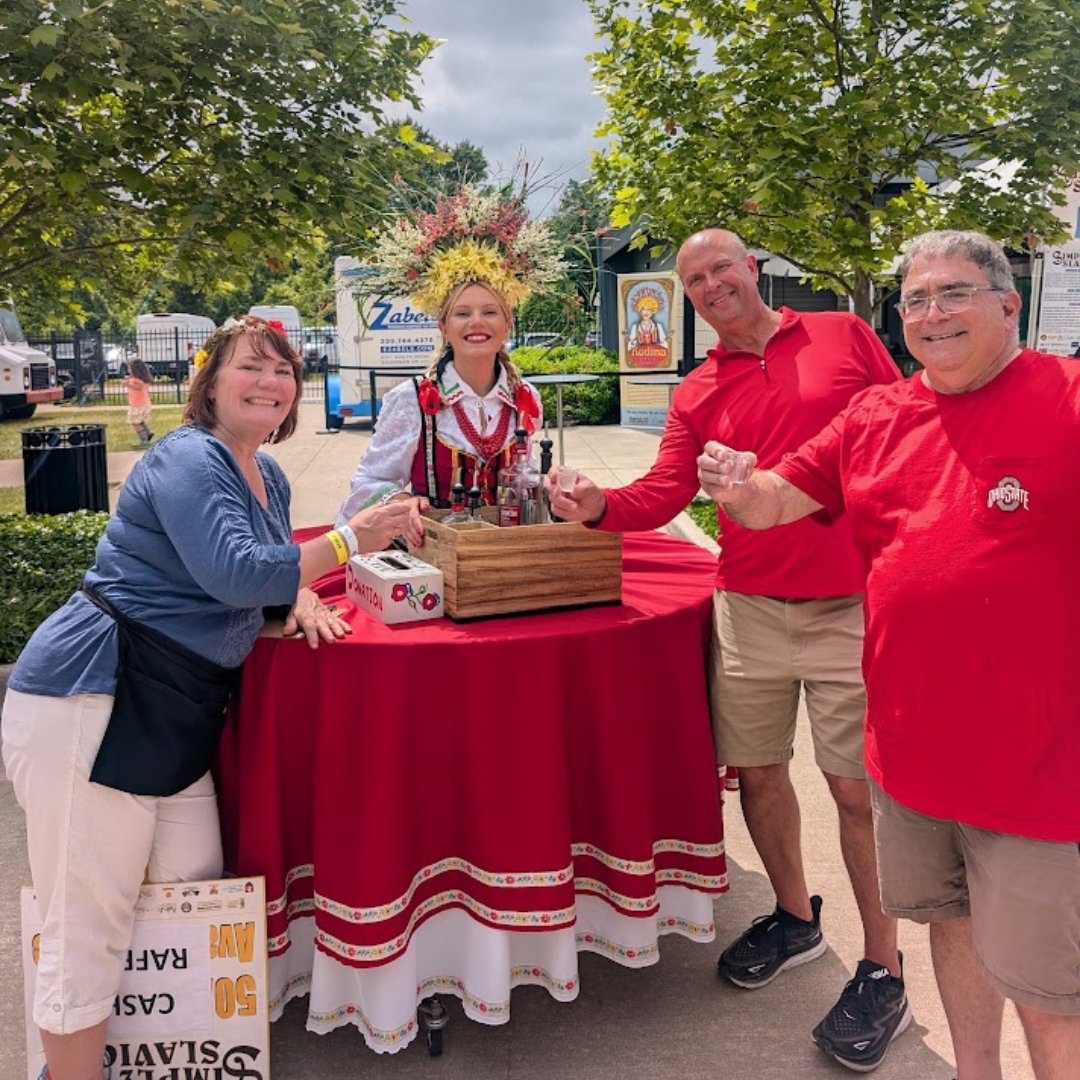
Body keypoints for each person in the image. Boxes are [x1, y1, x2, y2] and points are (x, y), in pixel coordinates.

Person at [697, 229, 1080, 1079]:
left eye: (954, 294)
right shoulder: (875, 417)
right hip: (912, 761)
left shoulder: (1067, 398)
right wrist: (734, 482)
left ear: (1009, 303)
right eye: (915, 300)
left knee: (1048, 990)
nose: (931, 314)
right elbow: (769, 503)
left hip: (1035, 769)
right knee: (951, 932)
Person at [2, 316, 416, 1080]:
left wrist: (293, 602)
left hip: (179, 706)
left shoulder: (270, 473)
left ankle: (170, 1059)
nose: (270, 382)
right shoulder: (188, 456)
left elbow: (260, 579)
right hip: (98, 694)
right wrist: (353, 539)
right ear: (209, 384)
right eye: (250, 368)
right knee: (86, 922)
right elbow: (235, 573)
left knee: (199, 893)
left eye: (283, 370)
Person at [550, 228, 907, 1071]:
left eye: (722, 269)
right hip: (747, 605)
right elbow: (662, 492)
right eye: (694, 280)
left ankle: (884, 967)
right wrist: (599, 503)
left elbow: (904, 431)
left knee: (856, 794)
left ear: (753, 270)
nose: (711, 286)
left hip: (850, 604)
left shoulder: (842, 335)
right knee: (756, 774)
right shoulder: (698, 388)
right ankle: (795, 917)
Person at [336, 185, 561, 529]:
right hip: (435, 552)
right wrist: (401, 501)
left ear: (507, 325)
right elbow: (367, 483)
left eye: (489, 312)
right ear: (443, 326)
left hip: (508, 553)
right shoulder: (411, 400)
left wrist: (546, 488)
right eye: (462, 313)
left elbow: (524, 479)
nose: (476, 322)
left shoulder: (525, 398)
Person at [122, 357, 153, 445]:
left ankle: (144, 439)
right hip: (140, 404)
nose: (129, 370)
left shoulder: (137, 381)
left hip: (139, 405)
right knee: (139, 421)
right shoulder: (140, 379)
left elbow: (139, 388)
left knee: (135, 422)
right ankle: (148, 432)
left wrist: (128, 384)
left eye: (130, 368)